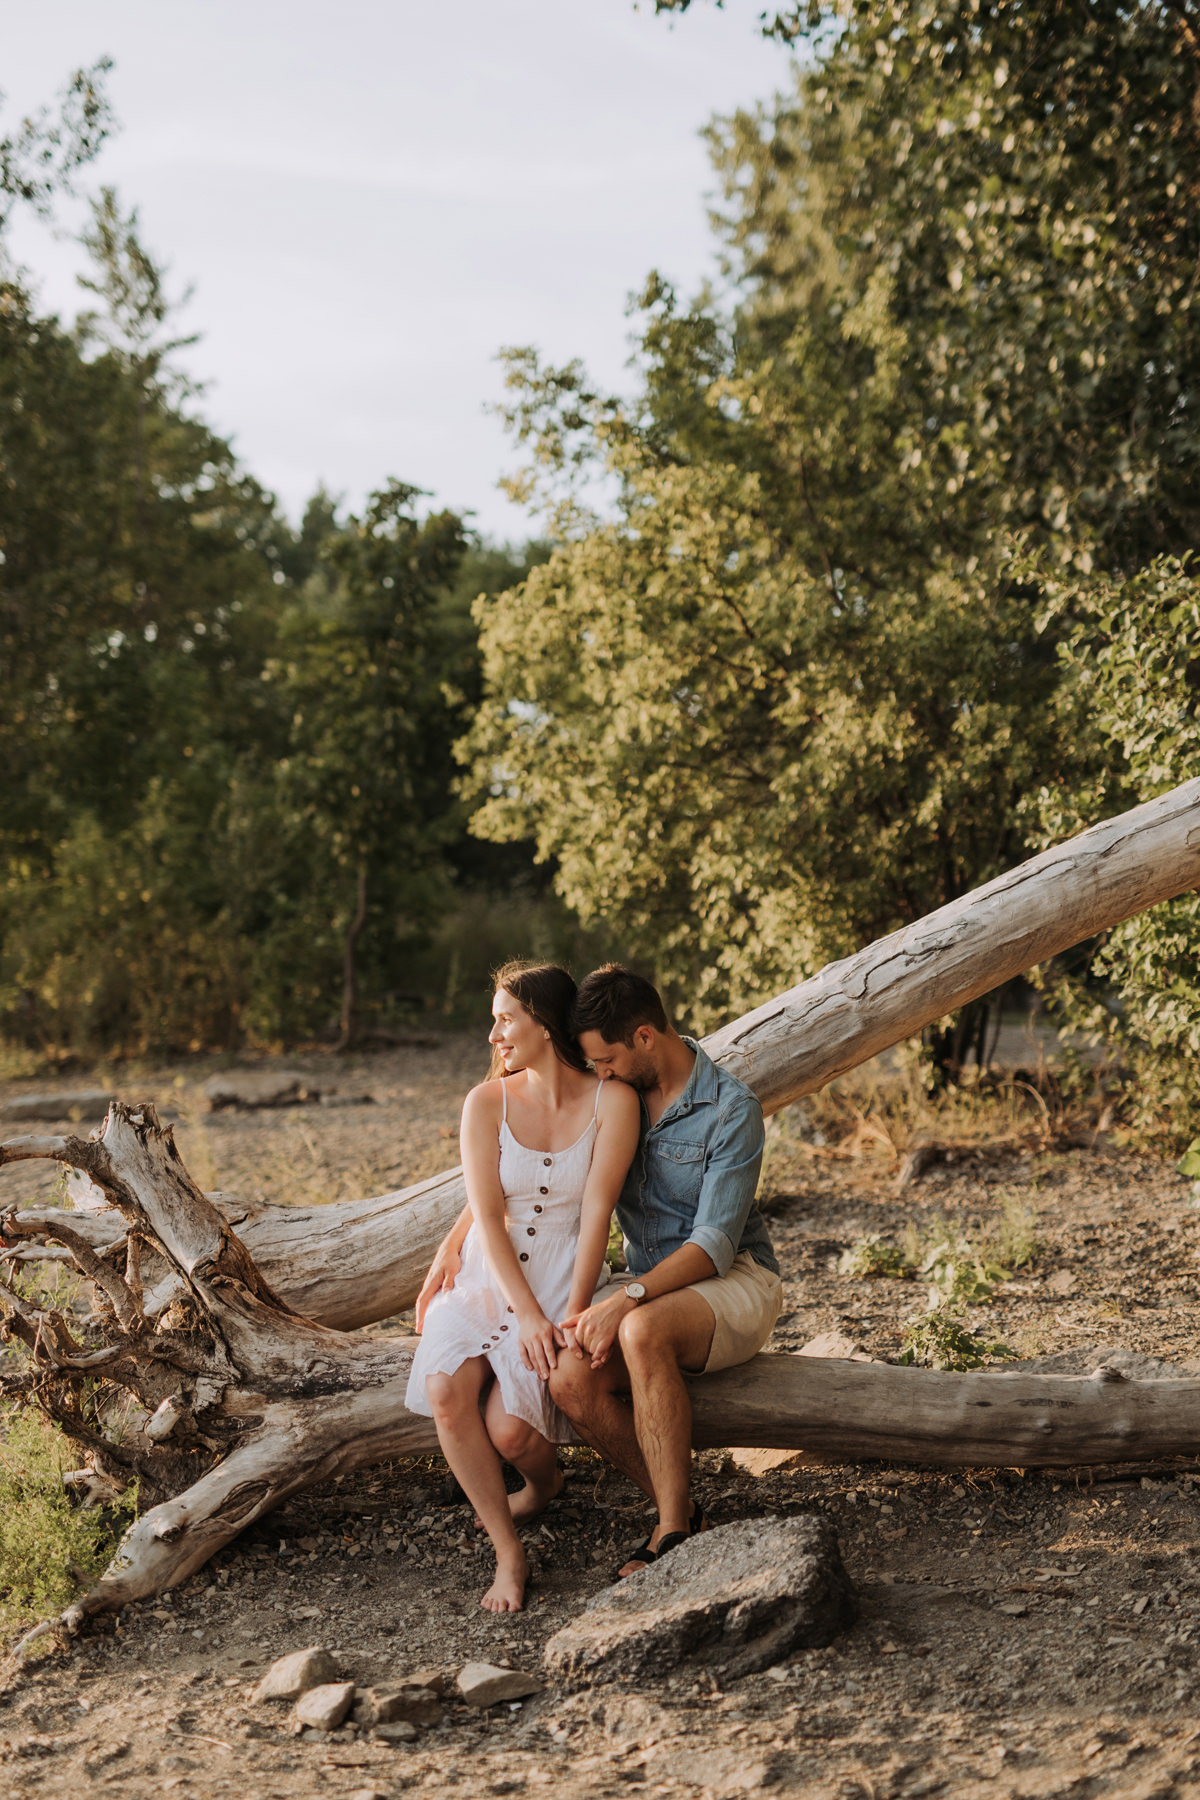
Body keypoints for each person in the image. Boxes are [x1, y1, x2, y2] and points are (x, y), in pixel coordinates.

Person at [406, 961, 639, 1613]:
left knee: (512, 1434)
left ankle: (543, 1484)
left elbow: (598, 1213)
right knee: (446, 1389)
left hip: (565, 1271)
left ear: (542, 1021)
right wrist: (521, 1310)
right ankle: (510, 1553)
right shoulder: (486, 1103)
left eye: (505, 1019)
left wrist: (564, 1316)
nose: (494, 1035)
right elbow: (486, 1214)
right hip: (490, 1273)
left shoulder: (612, 1101)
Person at [549, 964, 782, 1577]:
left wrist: (625, 1297)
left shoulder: (731, 1109)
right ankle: (684, 1509)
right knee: (569, 1379)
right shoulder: (614, 1099)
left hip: (735, 1279)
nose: (600, 1074)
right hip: (649, 1290)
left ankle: (671, 1535)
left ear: (646, 1037)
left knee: (641, 1330)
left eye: (607, 1061)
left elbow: (713, 1247)